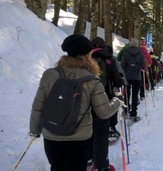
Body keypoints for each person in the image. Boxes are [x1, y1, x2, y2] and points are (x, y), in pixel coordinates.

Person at [29, 34, 122, 171]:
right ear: (87, 55)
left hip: (52, 135)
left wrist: (34, 130)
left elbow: (39, 105)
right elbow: (103, 112)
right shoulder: (92, 80)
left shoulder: (50, 75)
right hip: (80, 137)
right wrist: (117, 101)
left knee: (56, 167)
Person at [89, 37, 125, 170]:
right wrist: (120, 82)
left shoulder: (86, 58)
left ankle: (88, 158)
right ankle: (101, 165)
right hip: (106, 96)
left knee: (88, 130)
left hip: (87, 99)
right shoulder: (109, 58)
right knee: (101, 132)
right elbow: (117, 79)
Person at [121, 38, 146, 123]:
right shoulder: (140, 53)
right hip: (137, 77)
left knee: (127, 94)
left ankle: (125, 111)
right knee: (135, 96)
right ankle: (133, 114)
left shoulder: (125, 53)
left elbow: (122, 65)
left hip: (127, 77)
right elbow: (144, 66)